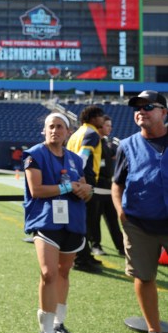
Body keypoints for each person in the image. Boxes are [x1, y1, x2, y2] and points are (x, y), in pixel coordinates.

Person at [24, 112, 93, 333]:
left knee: (64, 272)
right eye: (51, 126)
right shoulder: (34, 155)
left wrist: (86, 190)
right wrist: (67, 187)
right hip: (45, 221)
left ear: (68, 132)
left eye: (60, 127)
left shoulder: (75, 159)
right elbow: (36, 190)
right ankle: (45, 330)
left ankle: (58, 324)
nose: (55, 130)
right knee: (48, 274)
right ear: (44, 130)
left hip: (72, 220)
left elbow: (82, 188)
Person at [112, 90, 168, 333]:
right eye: (138, 108)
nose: (141, 112)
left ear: (164, 112)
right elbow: (117, 183)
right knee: (144, 277)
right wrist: (121, 213)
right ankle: (153, 329)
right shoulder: (126, 145)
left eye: (148, 107)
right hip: (138, 222)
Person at [66, 104, 105, 273]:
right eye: (101, 116)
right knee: (86, 221)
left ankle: (85, 255)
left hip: (75, 178)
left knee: (82, 219)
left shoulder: (76, 133)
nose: (103, 120)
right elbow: (83, 156)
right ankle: (81, 259)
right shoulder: (91, 133)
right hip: (85, 179)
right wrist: (81, 178)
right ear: (94, 118)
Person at [89, 115, 124, 256]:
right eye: (107, 125)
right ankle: (95, 245)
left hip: (108, 185)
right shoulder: (93, 141)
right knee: (94, 217)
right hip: (96, 184)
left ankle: (121, 247)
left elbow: (114, 154)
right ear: (100, 126)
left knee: (112, 217)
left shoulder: (105, 142)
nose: (110, 128)